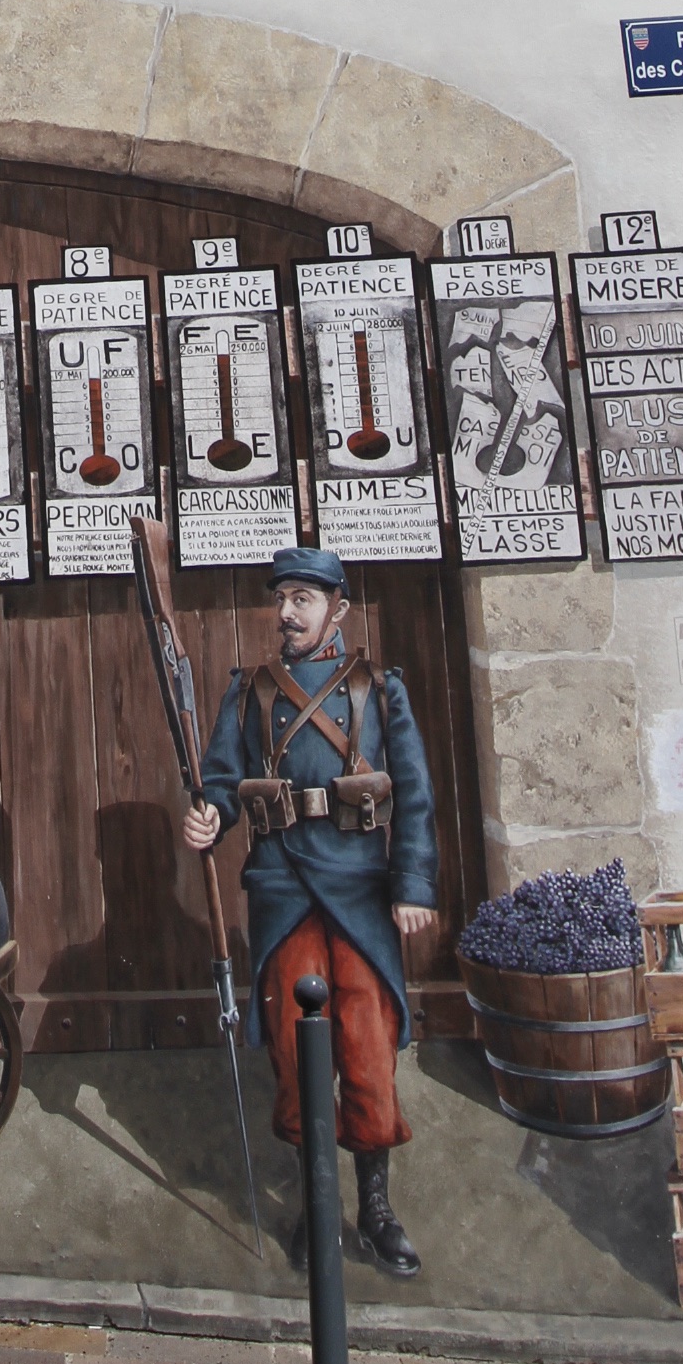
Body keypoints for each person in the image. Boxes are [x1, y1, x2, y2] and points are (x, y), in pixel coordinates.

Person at [183, 541, 438, 1278]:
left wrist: (414, 887)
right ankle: (315, 1207)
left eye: (304, 599)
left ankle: (377, 1209)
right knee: (296, 1053)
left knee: (366, 1047)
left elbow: (413, 797)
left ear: (338, 610)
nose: (288, 613)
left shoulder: (380, 690)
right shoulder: (251, 690)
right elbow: (223, 780)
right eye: (282, 598)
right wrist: (210, 814)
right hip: (284, 888)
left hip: (360, 888)